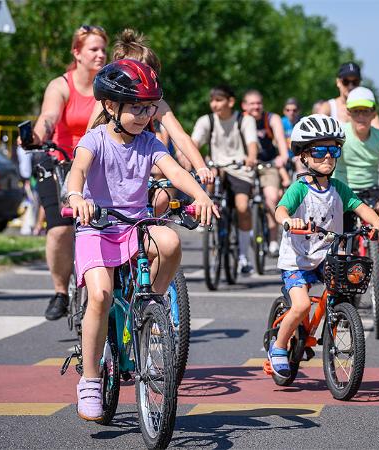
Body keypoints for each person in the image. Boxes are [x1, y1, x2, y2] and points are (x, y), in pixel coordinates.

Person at [67, 59, 215, 421]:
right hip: (97, 227)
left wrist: (201, 197)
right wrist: (76, 197)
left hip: (133, 227)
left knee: (169, 241)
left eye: (149, 107)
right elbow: (78, 170)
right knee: (100, 295)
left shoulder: (149, 143)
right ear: (110, 106)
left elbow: (176, 171)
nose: (145, 115)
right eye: (136, 107)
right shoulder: (96, 139)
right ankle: (89, 379)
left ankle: (148, 308)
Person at [268, 114, 379, 382]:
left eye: (333, 150)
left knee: (343, 288)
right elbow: (281, 209)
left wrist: (378, 223)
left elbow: (361, 207)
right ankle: (277, 347)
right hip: (297, 260)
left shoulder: (339, 189)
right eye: (319, 151)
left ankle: (333, 323)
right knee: (300, 307)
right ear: (304, 157)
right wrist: (289, 220)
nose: (327, 157)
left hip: (326, 257)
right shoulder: (300, 188)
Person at [26, 25, 107, 321]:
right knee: (60, 229)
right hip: (59, 162)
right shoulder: (61, 85)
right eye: (93, 49)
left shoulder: (107, 85)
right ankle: (60, 291)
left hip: (96, 163)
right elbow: (48, 117)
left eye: (102, 49)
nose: (100, 54)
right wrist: (37, 135)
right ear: (77, 53)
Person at [86, 29, 211, 185]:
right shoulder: (108, 102)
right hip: (109, 165)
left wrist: (201, 167)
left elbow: (179, 135)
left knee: (163, 198)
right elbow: (89, 135)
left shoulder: (157, 103)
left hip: (139, 162)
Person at [191, 85, 258, 274]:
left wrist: (251, 157)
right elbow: (194, 142)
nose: (214, 104)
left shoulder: (244, 120)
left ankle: (243, 256)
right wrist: (186, 155)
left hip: (240, 169)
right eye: (212, 100)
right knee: (209, 177)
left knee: (243, 207)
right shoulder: (207, 120)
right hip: (217, 168)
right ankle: (206, 213)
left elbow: (252, 143)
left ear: (230, 101)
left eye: (219, 100)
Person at [333, 87, 379, 231]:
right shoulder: (338, 134)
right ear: (348, 113)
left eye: (365, 111)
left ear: (373, 113)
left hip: (372, 193)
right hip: (342, 191)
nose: (361, 116)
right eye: (356, 111)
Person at [241, 89, 290, 255]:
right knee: (238, 199)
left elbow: (282, 144)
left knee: (272, 198)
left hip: (269, 165)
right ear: (244, 106)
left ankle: (274, 240)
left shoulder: (272, 119)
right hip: (245, 166)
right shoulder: (239, 120)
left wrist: (282, 157)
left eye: (259, 103)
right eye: (252, 103)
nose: (256, 106)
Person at [318, 62, 379, 129]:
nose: (350, 86)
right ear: (338, 82)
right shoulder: (328, 107)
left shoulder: (368, 109)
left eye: (355, 82)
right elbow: (315, 131)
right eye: (346, 82)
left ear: (360, 82)